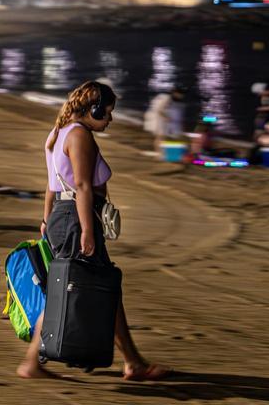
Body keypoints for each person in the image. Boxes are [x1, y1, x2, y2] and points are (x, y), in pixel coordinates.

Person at [17, 80, 171, 382]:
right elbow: (84, 186)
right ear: (94, 108)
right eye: (108, 112)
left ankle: (129, 360)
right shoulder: (79, 135)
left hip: (64, 217)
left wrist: (47, 220)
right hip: (76, 218)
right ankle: (132, 362)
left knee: (80, 289)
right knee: (94, 288)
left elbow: (51, 186)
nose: (111, 119)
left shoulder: (57, 133)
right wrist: (87, 229)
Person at [145, 87, 185, 154]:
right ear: (176, 93)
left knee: (160, 137)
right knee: (160, 137)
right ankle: (159, 153)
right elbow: (159, 110)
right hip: (159, 120)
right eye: (180, 94)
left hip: (159, 119)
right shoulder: (167, 98)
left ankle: (160, 152)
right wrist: (167, 118)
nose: (181, 96)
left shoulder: (166, 97)